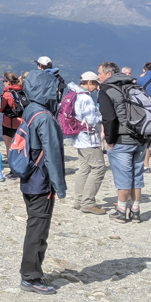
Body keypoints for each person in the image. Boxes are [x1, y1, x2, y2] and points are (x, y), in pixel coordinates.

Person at [17, 68, 67, 295]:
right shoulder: (46, 118)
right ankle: (31, 277)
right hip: (41, 183)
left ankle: (32, 272)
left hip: (28, 178)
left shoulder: (30, 110)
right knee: (38, 229)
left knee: (34, 226)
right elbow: (53, 155)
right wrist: (59, 186)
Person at [97, 61, 148, 222]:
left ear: (109, 74)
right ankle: (136, 210)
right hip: (140, 137)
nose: (98, 76)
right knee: (137, 175)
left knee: (123, 176)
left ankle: (121, 210)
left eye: (100, 73)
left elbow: (109, 118)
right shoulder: (135, 86)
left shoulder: (106, 90)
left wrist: (109, 141)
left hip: (121, 139)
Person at [65, 72, 107, 214]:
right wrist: (102, 116)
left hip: (78, 138)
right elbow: (91, 120)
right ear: (89, 82)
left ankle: (79, 200)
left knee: (84, 168)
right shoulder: (86, 99)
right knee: (99, 168)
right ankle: (88, 202)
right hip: (89, 138)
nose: (96, 87)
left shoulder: (75, 94)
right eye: (95, 83)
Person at [0, 71, 24, 154]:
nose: (3, 83)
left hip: (9, 123)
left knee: (9, 146)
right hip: (22, 121)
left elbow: (0, 109)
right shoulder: (22, 91)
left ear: (8, 82)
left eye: (4, 81)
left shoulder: (6, 94)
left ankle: (12, 163)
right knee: (20, 144)